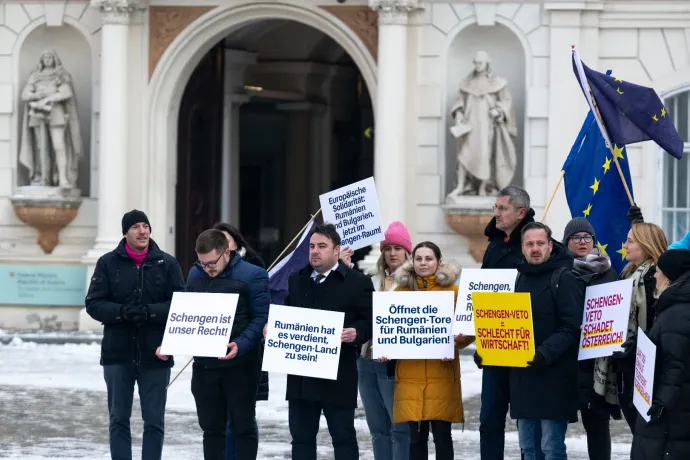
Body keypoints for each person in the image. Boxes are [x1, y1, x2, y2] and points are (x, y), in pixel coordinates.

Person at [85, 210, 185, 460]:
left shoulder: (167, 263)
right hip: (118, 355)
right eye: (135, 227)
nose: (142, 231)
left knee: (154, 421)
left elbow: (181, 304)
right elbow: (94, 303)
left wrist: (150, 313)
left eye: (145, 226)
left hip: (156, 355)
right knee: (118, 419)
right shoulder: (107, 263)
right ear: (125, 233)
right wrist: (122, 313)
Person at [268, 223, 373, 460]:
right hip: (301, 375)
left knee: (343, 437)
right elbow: (289, 314)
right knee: (301, 439)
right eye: (312, 246)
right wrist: (274, 328)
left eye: (322, 246)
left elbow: (370, 321)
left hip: (338, 374)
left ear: (337, 250)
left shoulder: (357, 282)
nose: (315, 251)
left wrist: (356, 333)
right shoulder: (297, 279)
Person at [181, 229, 269, 460]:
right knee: (211, 429)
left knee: (243, 427)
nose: (207, 268)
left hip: (241, 366)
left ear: (226, 253)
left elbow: (261, 318)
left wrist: (240, 344)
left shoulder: (253, 275)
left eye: (211, 263)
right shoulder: (195, 274)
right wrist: (172, 340)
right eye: (202, 263)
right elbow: (187, 313)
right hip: (205, 367)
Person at [391, 242, 474, 460]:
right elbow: (389, 329)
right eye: (418, 258)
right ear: (412, 261)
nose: (423, 263)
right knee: (416, 438)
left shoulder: (454, 293)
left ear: (438, 262)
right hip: (410, 376)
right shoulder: (399, 293)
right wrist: (385, 349)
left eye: (428, 258)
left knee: (442, 436)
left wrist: (458, 340)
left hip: (442, 375)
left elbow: (469, 329)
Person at [510, 222, 584, 460]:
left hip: (554, 377)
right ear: (522, 247)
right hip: (524, 379)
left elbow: (571, 326)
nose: (535, 249)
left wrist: (544, 353)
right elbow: (510, 325)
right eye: (530, 244)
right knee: (528, 449)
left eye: (540, 243)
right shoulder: (520, 277)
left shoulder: (564, 277)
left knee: (551, 448)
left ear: (550, 246)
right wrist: (490, 351)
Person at [341, 222, 412, 460]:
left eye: (398, 248)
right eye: (388, 248)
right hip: (366, 360)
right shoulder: (370, 281)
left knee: (399, 426)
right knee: (377, 428)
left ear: (407, 252)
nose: (392, 253)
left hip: (394, 364)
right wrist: (345, 270)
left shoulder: (414, 284)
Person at [476, 185, 537, 460]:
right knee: (489, 418)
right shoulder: (493, 245)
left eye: (502, 208)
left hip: (525, 344)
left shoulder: (537, 244)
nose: (496, 214)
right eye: (495, 208)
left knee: (527, 422)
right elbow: (480, 294)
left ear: (521, 212)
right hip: (493, 345)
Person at [562, 217, 618, 460]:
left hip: (596, 360)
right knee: (555, 425)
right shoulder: (560, 270)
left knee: (597, 423)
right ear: (567, 242)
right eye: (577, 237)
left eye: (587, 237)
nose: (583, 241)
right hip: (565, 356)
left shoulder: (608, 271)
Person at [609, 207, 668, 432]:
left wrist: (636, 345)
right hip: (625, 365)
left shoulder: (658, 281)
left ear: (645, 245)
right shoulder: (627, 275)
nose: (625, 245)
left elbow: (659, 326)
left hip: (647, 370)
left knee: (648, 434)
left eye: (630, 241)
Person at [212, 222, 267, 460]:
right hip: (215, 357)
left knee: (243, 418)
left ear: (237, 242)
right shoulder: (206, 271)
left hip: (245, 354)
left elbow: (260, 312)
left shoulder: (253, 267)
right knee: (220, 419)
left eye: (226, 240)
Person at [631, 249, 690, 460]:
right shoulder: (677, 306)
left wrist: (661, 403)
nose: (655, 276)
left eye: (658, 271)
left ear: (670, 274)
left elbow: (675, 364)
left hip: (673, 411)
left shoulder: (677, 311)